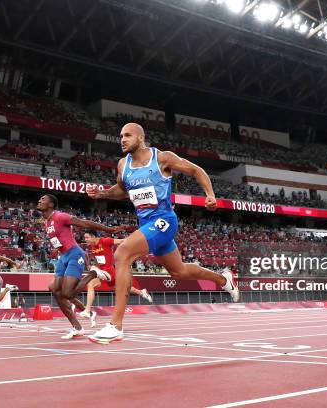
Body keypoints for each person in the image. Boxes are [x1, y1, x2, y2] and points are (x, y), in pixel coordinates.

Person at [87, 123, 239, 344]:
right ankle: (223, 279)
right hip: (146, 224)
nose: (122, 139)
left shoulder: (162, 158)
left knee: (122, 254)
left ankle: (116, 325)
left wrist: (210, 195)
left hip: (164, 221)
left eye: (127, 135)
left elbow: (196, 170)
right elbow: (122, 190)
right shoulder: (123, 164)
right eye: (120, 136)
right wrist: (102, 193)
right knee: (180, 272)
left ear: (141, 138)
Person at [36, 194, 126, 339]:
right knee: (54, 289)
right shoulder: (46, 222)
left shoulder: (60, 216)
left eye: (43, 199)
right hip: (63, 257)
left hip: (74, 254)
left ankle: (94, 273)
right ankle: (77, 327)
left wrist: (109, 230)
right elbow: (58, 240)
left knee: (67, 294)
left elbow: (85, 223)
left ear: (51, 204)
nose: (39, 200)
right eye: (40, 199)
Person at [80, 232, 153, 328]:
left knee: (91, 283)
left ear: (93, 236)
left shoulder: (105, 241)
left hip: (110, 272)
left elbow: (122, 241)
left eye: (87, 237)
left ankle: (87, 310)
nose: (85, 240)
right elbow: (100, 261)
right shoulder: (93, 248)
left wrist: (138, 240)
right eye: (84, 238)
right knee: (120, 288)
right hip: (103, 272)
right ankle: (142, 292)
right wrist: (95, 267)